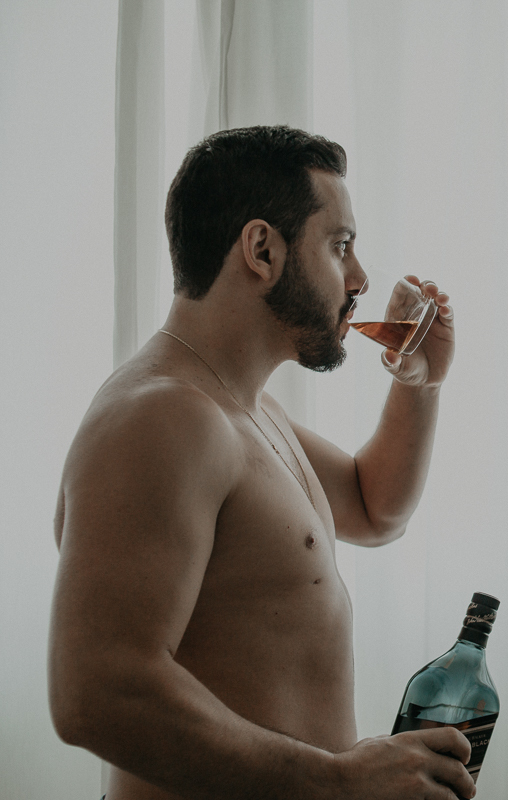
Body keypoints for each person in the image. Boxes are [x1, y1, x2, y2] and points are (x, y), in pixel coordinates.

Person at [48, 125, 476, 800]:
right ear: (261, 249)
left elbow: (372, 508)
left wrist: (417, 383)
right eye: (341, 247)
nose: (360, 278)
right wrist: (337, 780)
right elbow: (95, 694)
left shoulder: (241, 409)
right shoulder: (162, 419)